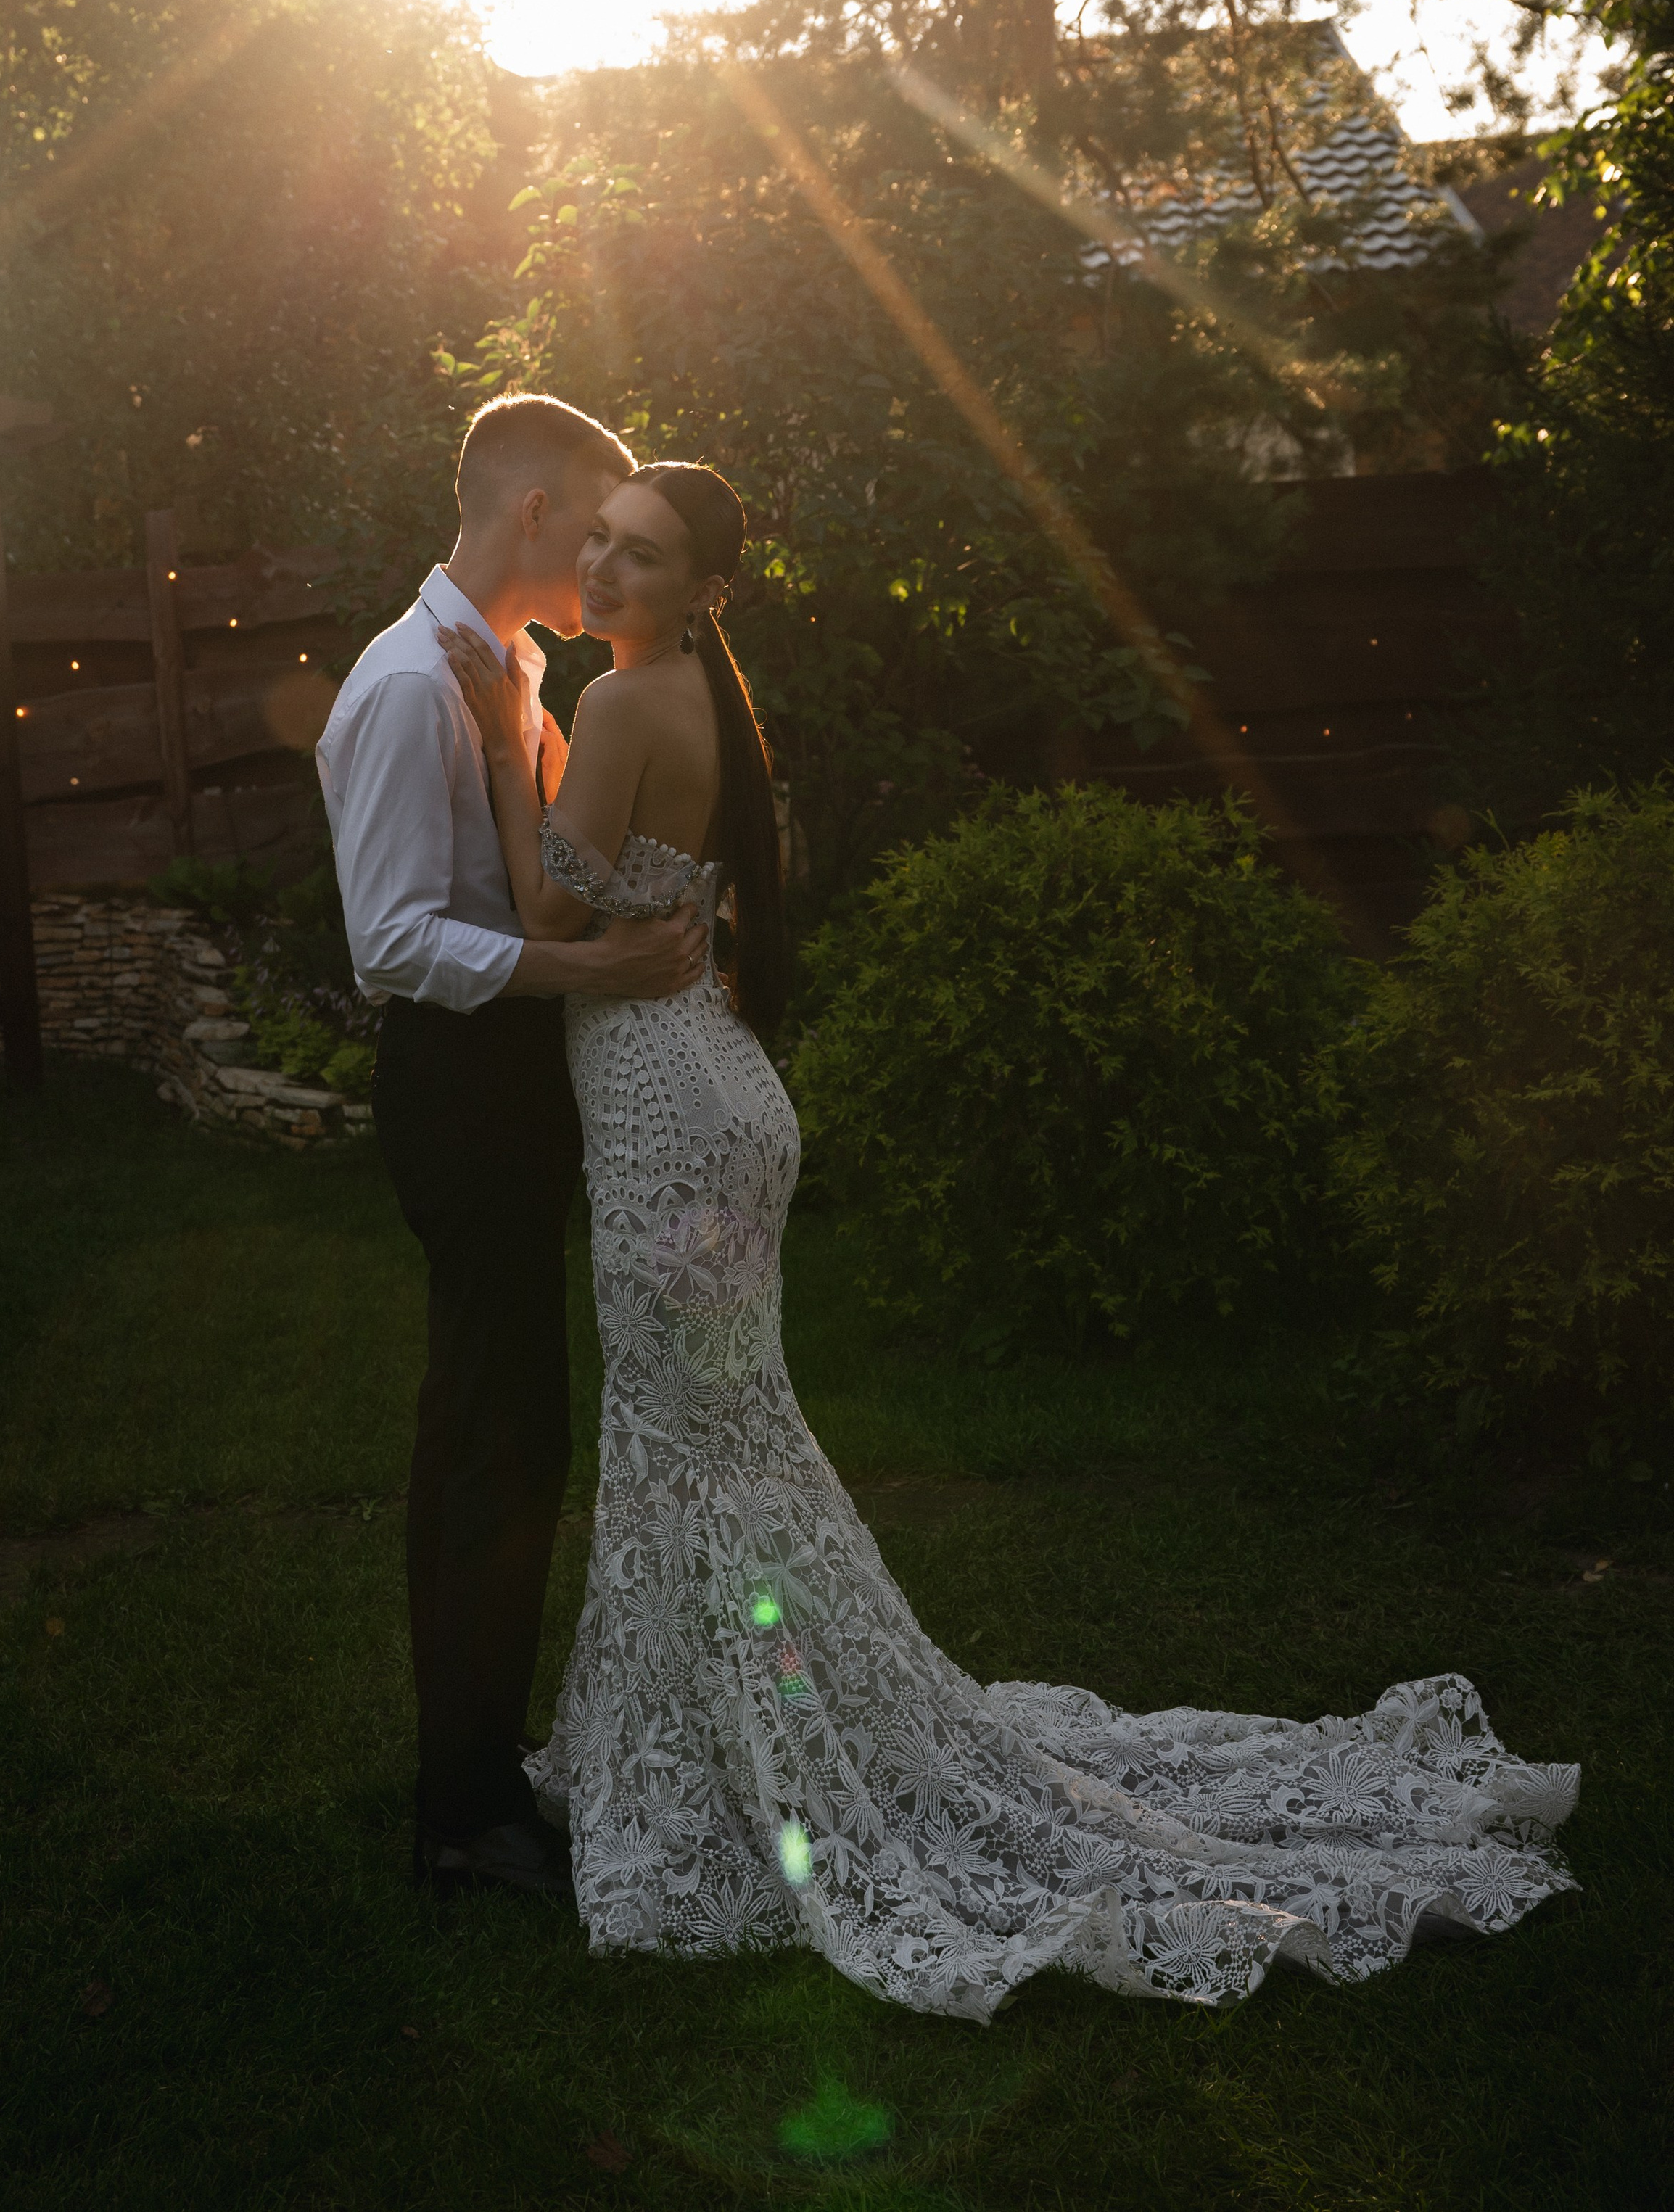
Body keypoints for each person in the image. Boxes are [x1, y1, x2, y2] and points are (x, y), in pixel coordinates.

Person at [437, 453, 1580, 2020]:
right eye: (604, 548)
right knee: (717, 1443)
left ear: (704, 589)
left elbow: (542, 917)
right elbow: (625, 884)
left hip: (663, 1108)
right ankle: (728, 1740)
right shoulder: (692, 696)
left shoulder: (627, 700)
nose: (608, 575)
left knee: (682, 1440)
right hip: (718, 1090)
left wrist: (505, 745)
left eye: (642, 557)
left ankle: (748, 1775)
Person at [316, 393, 709, 1905]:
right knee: (490, 1435)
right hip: (460, 1088)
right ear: (536, 514)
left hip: (517, 1081)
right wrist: (591, 976)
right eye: (596, 525)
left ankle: (481, 1769)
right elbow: (395, 939)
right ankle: (463, 1812)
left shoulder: (517, 673)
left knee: (513, 1428)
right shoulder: (409, 685)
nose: (604, 560)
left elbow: (549, 873)